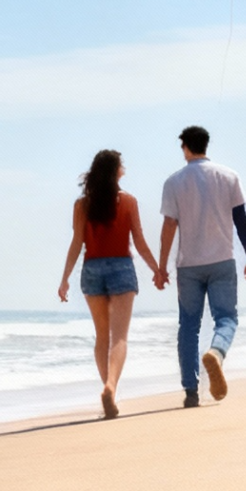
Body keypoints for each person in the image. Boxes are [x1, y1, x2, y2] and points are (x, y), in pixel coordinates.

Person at [57, 149, 165, 419]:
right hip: (120, 268)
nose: (124, 168)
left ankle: (110, 391)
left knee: (102, 337)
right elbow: (138, 241)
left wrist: (65, 279)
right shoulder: (128, 202)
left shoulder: (82, 205)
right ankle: (111, 387)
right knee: (119, 337)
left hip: (91, 269)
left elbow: (76, 243)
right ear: (116, 170)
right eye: (122, 165)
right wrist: (157, 270)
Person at [156, 125, 246, 408]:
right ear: (206, 146)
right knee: (226, 319)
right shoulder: (228, 176)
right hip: (222, 260)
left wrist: (162, 267)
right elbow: (241, 219)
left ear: (185, 147)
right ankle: (217, 352)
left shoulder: (174, 182)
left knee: (188, 326)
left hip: (189, 265)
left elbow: (169, 225)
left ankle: (190, 392)